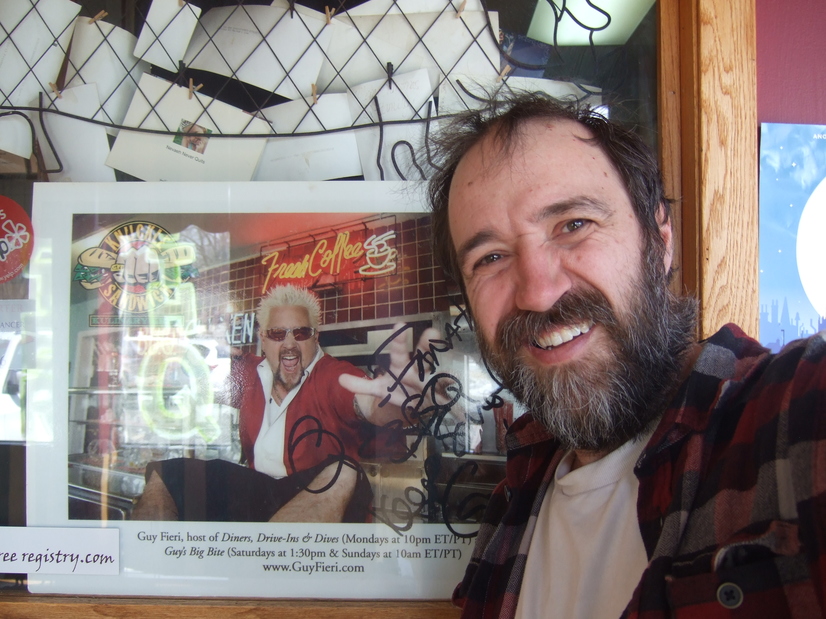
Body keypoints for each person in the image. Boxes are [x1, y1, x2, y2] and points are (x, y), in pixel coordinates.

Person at [427, 92, 826, 618]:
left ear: (659, 241)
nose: (538, 292)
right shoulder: (512, 503)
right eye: (492, 257)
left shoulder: (790, 418)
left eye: (573, 224)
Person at [133, 284, 437, 523]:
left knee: (343, 471)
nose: (289, 343)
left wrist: (405, 402)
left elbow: (369, 403)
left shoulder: (331, 374)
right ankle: (151, 581)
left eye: (301, 333)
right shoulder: (250, 374)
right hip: (258, 491)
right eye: (278, 334)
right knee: (168, 473)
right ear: (264, 339)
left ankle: (274, 583)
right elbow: (200, 375)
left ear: (315, 338)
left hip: (314, 495)